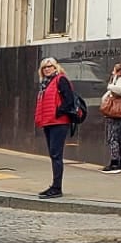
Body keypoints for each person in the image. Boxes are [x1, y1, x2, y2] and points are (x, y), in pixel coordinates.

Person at [35, 57, 79, 198]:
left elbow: (69, 100)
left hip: (58, 122)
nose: (47, 69)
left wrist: (58, 112)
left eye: (50, 66)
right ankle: (55, 186)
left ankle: (56, 187)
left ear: (56, 67)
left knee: (56, 155)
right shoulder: (45, 84)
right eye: (44, 67)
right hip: (48, 122)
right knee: (54, 155)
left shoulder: (61, 80)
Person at [100, 63, 121, 173]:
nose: (112, 72)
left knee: (112, 138)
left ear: (119, 71)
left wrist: (110, 86)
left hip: (117, 112)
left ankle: (114, 163)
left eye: (114, 70)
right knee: (120, 139)